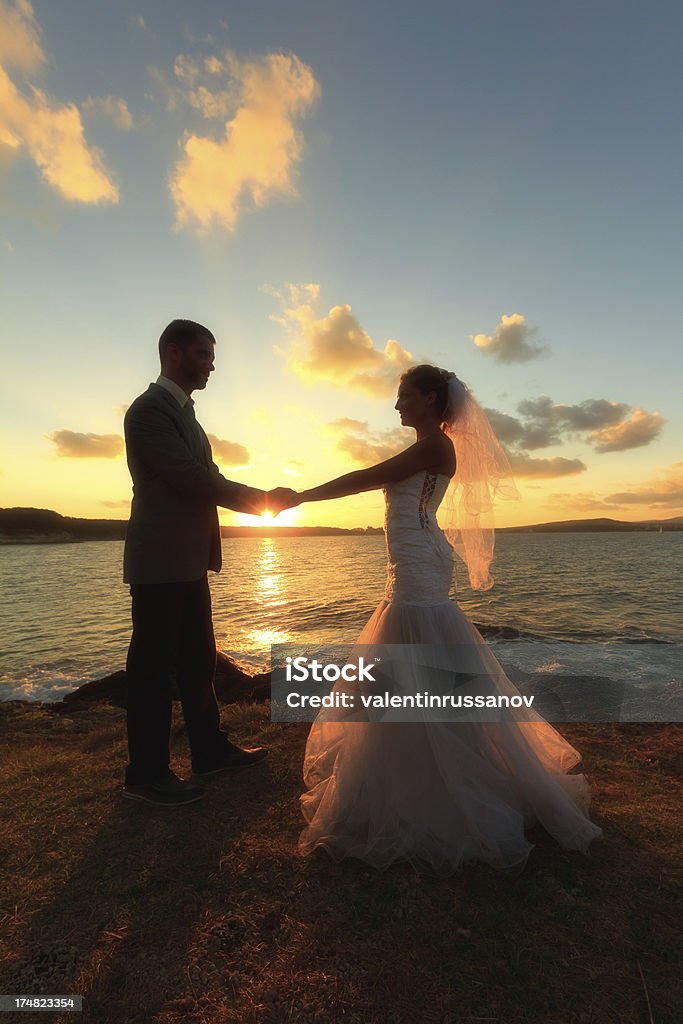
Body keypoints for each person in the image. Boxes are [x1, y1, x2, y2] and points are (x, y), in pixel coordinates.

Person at [276, 364, 603, 873]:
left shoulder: (435, 446)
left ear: (430, 398)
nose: (397, 403)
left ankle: (449, 783)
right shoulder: (428, 445)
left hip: (419, 564)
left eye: (405, 394)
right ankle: (413, 769)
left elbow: (369, 478)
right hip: (410, 559)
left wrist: (300, 496)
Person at [122, 319, 296, 806]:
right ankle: (146, 774)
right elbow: (191, 479)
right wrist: (264, 500)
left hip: (191, 559)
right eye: (204, 354)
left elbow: (209, 474)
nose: (212, 364)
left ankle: (210, 751)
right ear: (174, 353)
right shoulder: (147, 411)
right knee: (153, 669)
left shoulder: (188, 415)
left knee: (199, 661)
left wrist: (262, 498)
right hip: (159, 558)